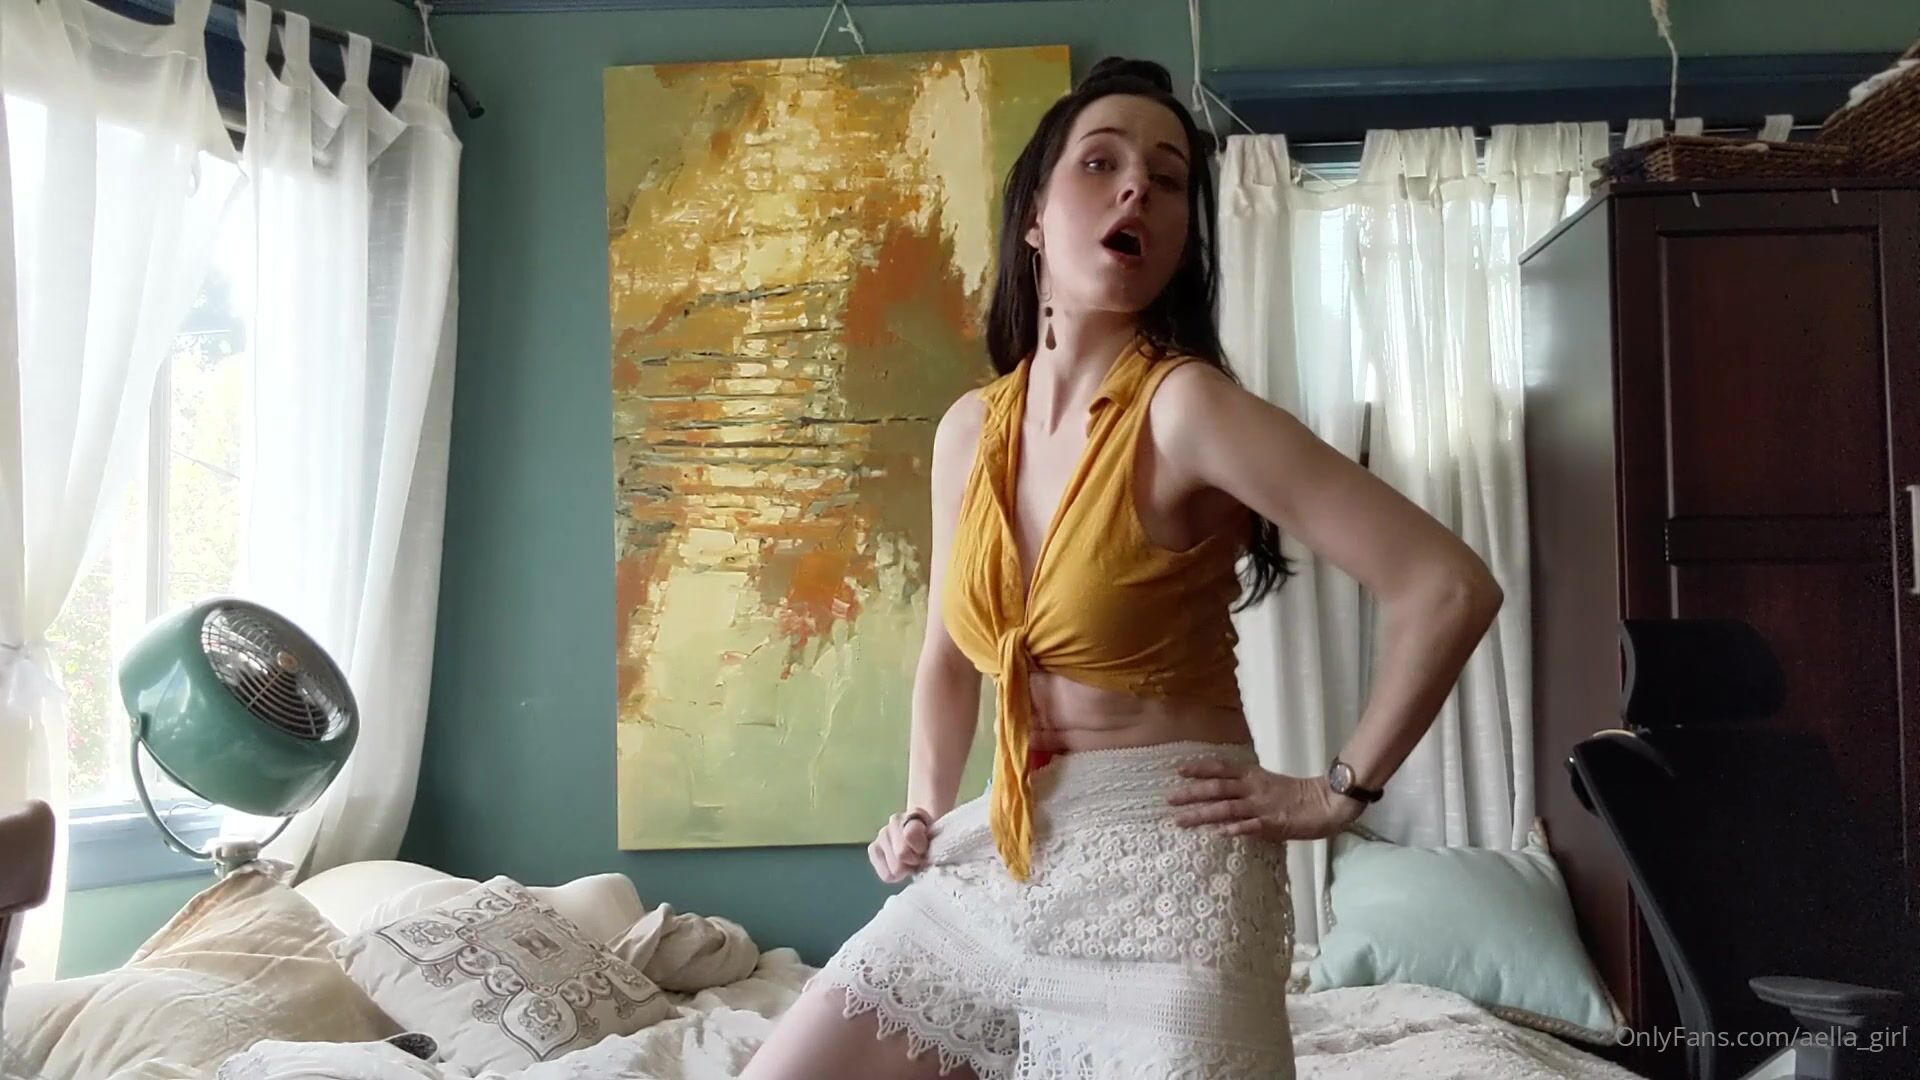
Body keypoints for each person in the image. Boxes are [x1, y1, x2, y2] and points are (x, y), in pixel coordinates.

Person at [741, 56, 1503, 1080]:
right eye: (1100, 164)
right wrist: (922, 806)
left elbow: (1447, 586)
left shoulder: (1187, 408)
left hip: (1168, 873)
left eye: (1168, 178)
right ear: (1034, 218)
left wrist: (1334, 794)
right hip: (1006, 850)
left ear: (1180, 238)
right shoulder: (970, 430)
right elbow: (949, 657)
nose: (1137, 187)